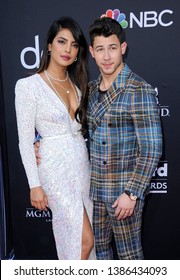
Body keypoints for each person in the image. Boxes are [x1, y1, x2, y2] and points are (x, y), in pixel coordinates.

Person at [15, 17, 94, 260]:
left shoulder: (78, 85)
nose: (67, 50)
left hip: (82, 167)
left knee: (84, 241)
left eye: (74, 45)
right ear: (49, 45)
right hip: (54, 170)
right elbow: (25, 140)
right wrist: (34, 185)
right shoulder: (28, 86)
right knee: (83, 241)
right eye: (61, 42)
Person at [84, 17, 162, 259]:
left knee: (129, 258)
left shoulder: (139, 89)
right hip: (96, 191)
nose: (107, 56)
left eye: (113, 48)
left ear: (123, 49)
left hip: (124, 195)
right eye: (100, 49)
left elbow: (151, 148)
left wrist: (132, 194)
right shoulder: (89, 89)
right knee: (101, 255)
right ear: (91, 52)